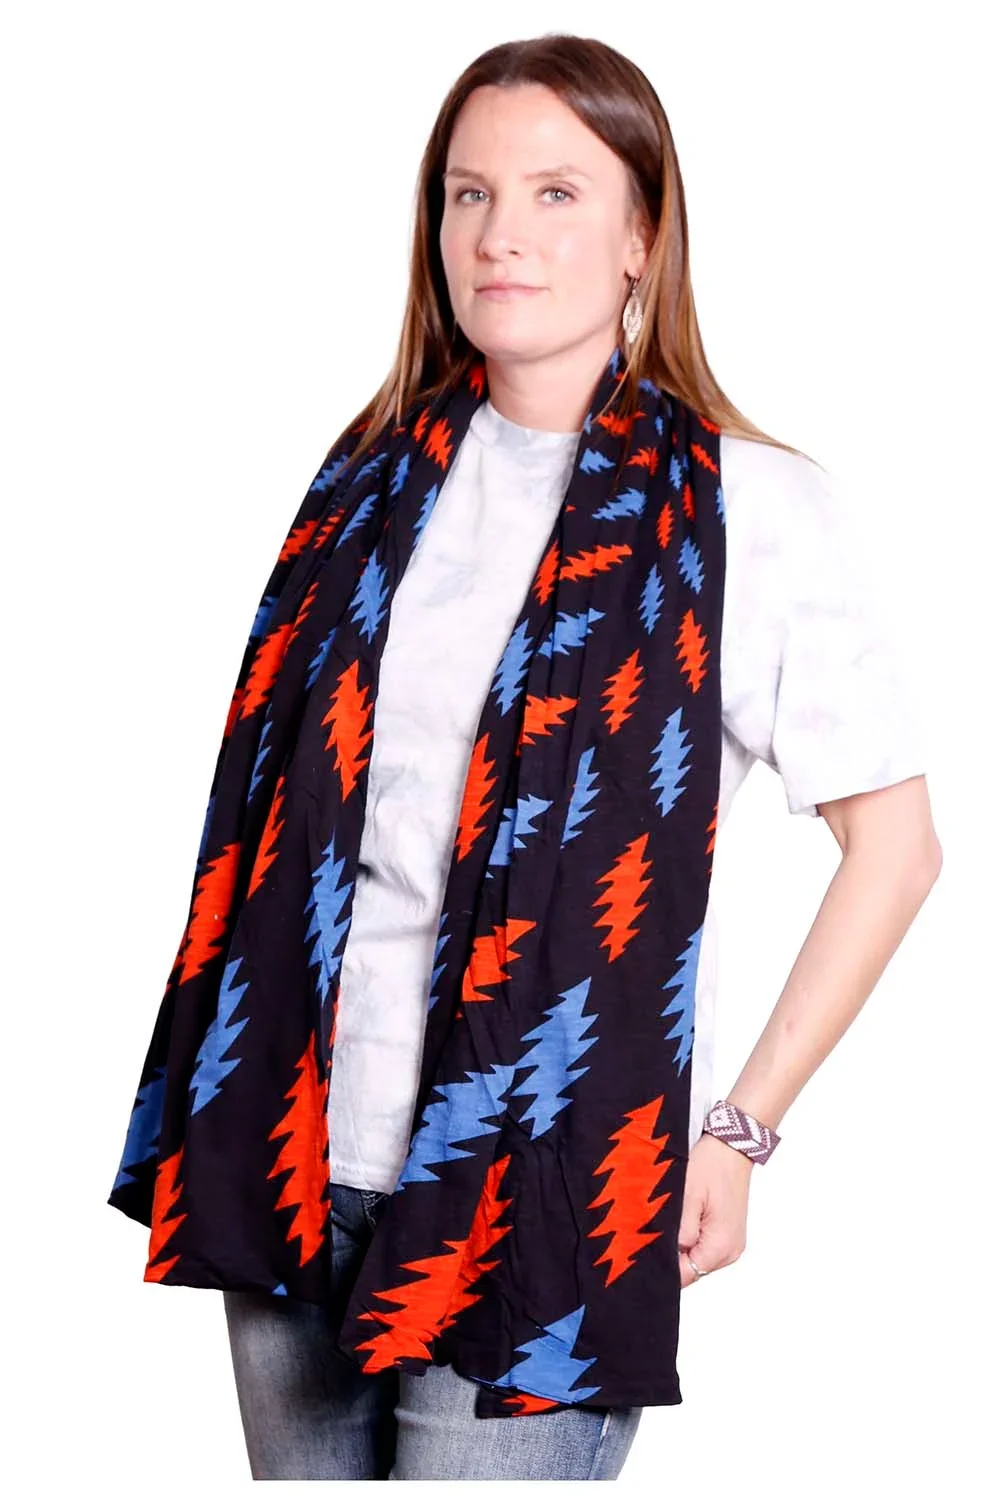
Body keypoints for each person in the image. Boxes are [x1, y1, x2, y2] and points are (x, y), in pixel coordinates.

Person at [108, 33, 941, 1482]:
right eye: (469, 193)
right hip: (296, 1148)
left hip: (544, 1183)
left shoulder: (750, 509)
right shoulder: (365, 481)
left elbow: (898, 848)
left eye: (557, 193)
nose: (500, 234)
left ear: (641, 238)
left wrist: (740, 1133)